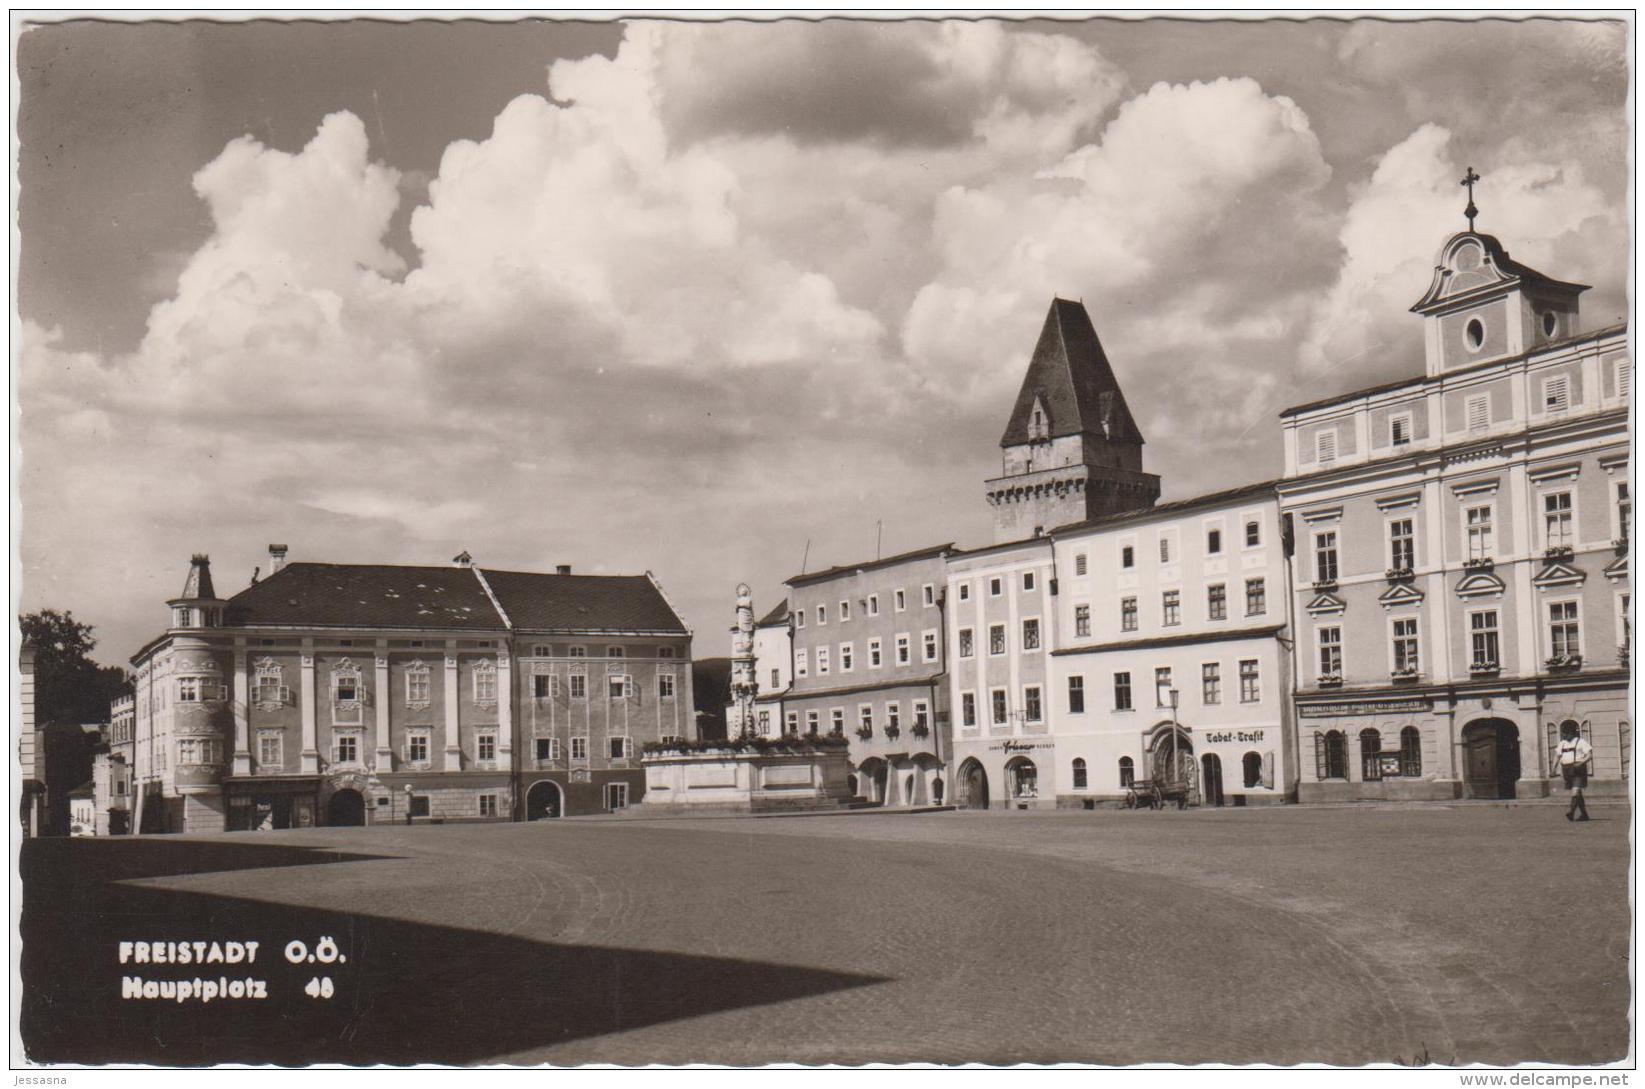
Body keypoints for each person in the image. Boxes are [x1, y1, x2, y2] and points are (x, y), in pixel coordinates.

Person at [1555, 722, 1593, 822]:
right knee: (1577, 793)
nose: (1564, 735)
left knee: (1575, 792)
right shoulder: (1562, 743)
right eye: (1563, 733)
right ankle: (1584, 815)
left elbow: (1589, 755)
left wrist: (1581, 763)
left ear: (1571, 733)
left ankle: (1571, 813)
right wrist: (1554, 768)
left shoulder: (1581, 742)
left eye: (1566, 733)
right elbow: (1557, 756)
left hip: (1578, 770)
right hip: (1567, 770)